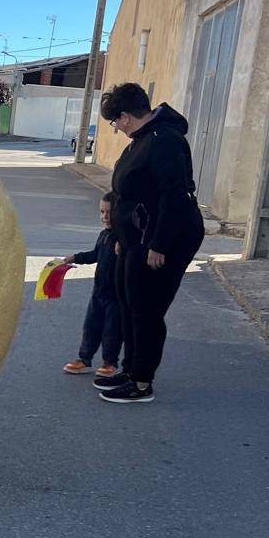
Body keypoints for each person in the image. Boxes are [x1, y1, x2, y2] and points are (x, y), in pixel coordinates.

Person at [94, 84, 205, 404]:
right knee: (128, 302)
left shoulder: (165, 141)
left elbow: (175, 197)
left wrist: (160, 245)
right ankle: (130, 369)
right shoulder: (142, 141)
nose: (116, 128)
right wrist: (119, 237)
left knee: (147, 309)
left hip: (163, 239)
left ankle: (142, 382)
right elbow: (126, 196)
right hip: (135, 238)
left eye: (115, 122)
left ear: (126, 116)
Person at [61, 192, 121, 378]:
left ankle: (110, 363)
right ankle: (84, 359)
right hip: (98, 293)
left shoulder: (124, 238)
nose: (105, 216)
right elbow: (95, 255)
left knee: (112, 331)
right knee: (91, 327)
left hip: (116, 296)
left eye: (110, 212)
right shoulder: (103, 235)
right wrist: (75, 258)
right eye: (102, 212)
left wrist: (124, 247)